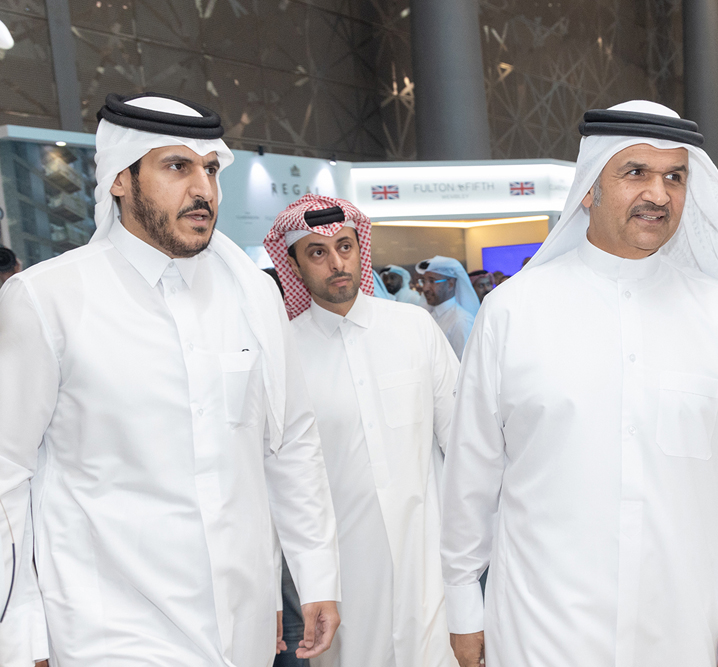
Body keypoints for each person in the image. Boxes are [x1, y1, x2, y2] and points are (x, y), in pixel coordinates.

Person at [440, 100, 718, 667]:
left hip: (684, 624)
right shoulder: (513, 312)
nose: (659, 194)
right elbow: (471, 472)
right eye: (636, 172)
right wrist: (461, 601)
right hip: (543, 625)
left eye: (675, 177)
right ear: (589, 190)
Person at [0, 92, 341, 666]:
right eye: (177, 167)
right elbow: (7, 473)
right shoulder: (45, 299)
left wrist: (317, 574)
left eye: (210, 169)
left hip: (241, 623)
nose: (203, 189)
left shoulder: (252, 295)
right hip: (108, 627)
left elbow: (290, 441)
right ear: (120, 179)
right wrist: (21, 636)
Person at [264, 194, 460, 667]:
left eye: (345, 247)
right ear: (293, 264)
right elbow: (275, 485)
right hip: (340, 584)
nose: (337, 263)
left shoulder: (414, 328)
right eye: (317, 252)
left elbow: (462, 444)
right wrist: (270, 591)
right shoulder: (282, 352)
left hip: (429, 566)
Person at [415, 256, 478, 361]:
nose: (425, 288)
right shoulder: (429, 314)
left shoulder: (461, 321)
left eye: (432, 281)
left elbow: (464, 365)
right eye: (424, 281)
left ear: (450, 284)